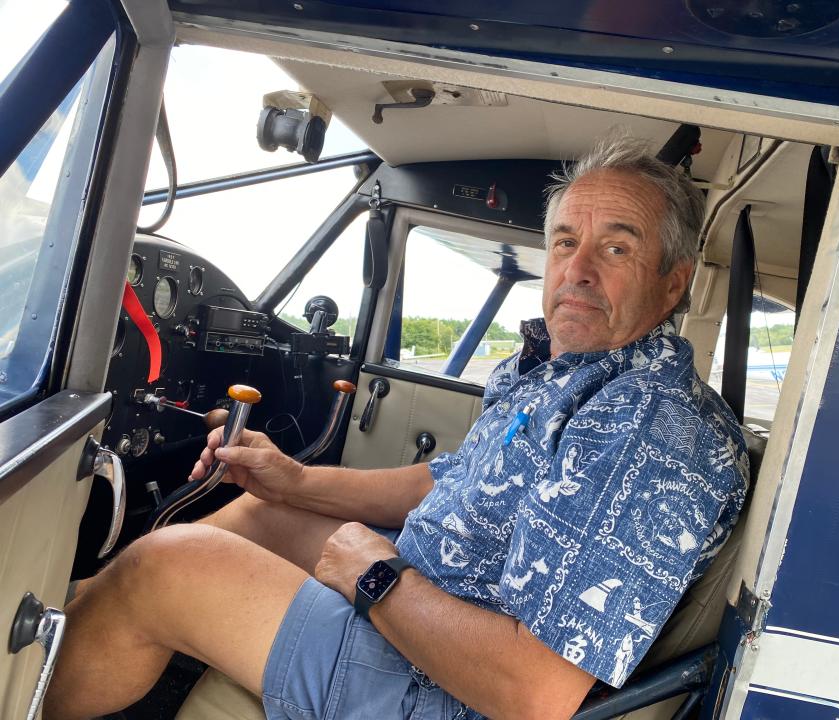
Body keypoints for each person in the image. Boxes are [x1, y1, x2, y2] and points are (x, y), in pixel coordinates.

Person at [45, 134, 748, 720]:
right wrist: (296, 479)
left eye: (616, 249)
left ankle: (30, 686)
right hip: (427, 605)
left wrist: (376, 577)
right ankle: (68, 621)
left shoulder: (651, 430)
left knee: (160, 569)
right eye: (565, 242)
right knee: (265, 507)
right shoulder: (572, 374)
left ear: (672, 281)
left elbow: (532, 693)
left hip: (445, 687)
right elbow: (448, 480)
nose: (578, 270)